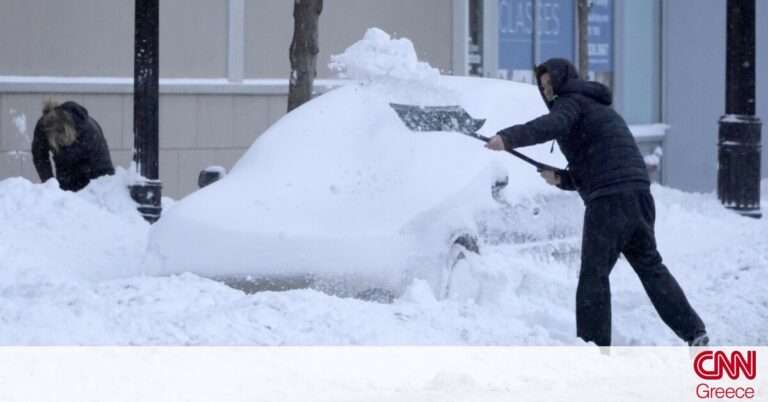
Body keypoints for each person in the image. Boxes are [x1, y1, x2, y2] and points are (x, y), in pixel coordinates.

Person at [486, 58, 708, 347]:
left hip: (609, 202)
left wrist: (507, 138)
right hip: (638, 195)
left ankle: (593, 350)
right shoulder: (599, 108)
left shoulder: (570, 102)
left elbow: (549, 126)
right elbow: (601, 161)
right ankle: (694, 332)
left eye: (549, 84)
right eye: (542, 87)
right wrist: (563, 179)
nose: (547, 92)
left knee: (594, 276)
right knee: (651, 268)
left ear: (562, 81)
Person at [32, 100, 115, 192]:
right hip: (64, 173)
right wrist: (49, 184)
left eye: (63, 141)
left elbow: (104, 168)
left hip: (90, 173)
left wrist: (101, 191)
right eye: (58, 143)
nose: (62, 144)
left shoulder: (89, 132)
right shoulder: (43, 128)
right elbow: (40, 157)